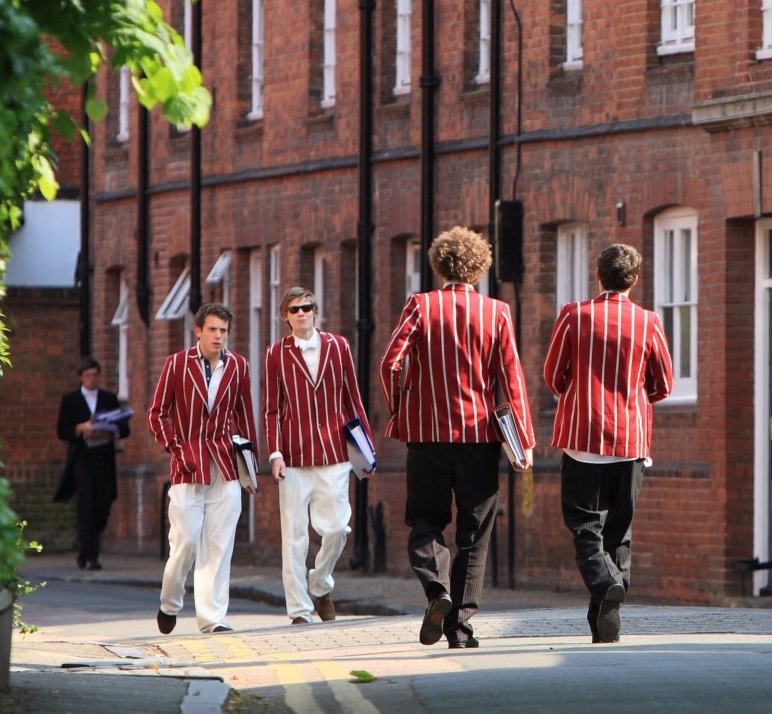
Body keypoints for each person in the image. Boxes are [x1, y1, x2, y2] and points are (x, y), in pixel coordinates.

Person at [380, 226, 535, 649]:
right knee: (475, 531)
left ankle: (437, 590)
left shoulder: (420, 306)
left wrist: (401, 409)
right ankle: (461, 628)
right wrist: (523, 440)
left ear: (439, 264)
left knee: (426, 522)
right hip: (479, 438)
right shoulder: (497, 312)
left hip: (426, 437)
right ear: (480, 267)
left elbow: (391, 364)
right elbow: (513, 381)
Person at [542, 243, 674, 643]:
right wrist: (631, 400)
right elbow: (664, 384)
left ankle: (605, 584)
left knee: (585, 527)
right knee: (619, 531)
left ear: (599, 274)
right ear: (634, 279)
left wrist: (580, 392)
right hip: (631, 442)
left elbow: (553, 375)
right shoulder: (649, 322)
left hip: (583, 439)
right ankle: (605, 621)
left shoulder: (574, 315)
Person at [147, 301, 258, 635]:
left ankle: (213, 618)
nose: (219, 336)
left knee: (219, 545)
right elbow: (157, 414)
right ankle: (169, 602)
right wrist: (176, 448)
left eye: (223, 331)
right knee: (186, 543)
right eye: (212, 329)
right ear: (198, 330)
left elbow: (245, 417)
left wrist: (249, 465)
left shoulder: (238, 366)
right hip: (187, 468)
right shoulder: (177, 364)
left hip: (225, 467)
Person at [262, 285, 370, 625]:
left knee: (337, 528)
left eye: (307, 306)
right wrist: (275, 453)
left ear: (315, 310)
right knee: (293, 537)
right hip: (293, 458)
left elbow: (353, 397)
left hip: (335, 453)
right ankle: (298, 610)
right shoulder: (275, 354)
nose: (302, 313)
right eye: (294, 309)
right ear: (285, 317)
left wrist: (366, 448)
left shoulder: (339, 346)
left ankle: (320, 583)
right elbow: (271, 410)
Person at [53, 357, 129, 571]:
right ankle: (91, 555)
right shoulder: (70, 400)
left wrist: (110, 430)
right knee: (86, 505)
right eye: (88, 375)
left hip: (103, 458)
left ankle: (85, 548)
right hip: (82, 459)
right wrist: (80, 428)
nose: (92, 379)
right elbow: (62, 430)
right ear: (80, 377)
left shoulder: (108, 398)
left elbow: (124, 429)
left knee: (103, 505)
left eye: (95, 375)